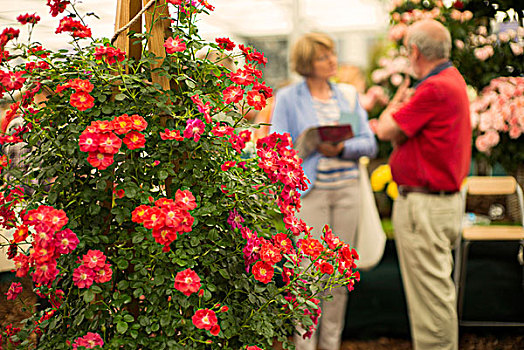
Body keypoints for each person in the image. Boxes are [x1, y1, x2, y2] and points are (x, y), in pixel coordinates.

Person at [270, 32, 377, 350]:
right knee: (307, 275)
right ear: (306, 64)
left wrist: (342, 148)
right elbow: (276, 147)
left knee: (339, 275)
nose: (332, 60)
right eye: (322, 56)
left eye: (332, 53)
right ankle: (305, 346)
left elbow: (369, 143)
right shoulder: (289, 98)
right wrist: (307, 145)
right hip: (310, 195)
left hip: (347, 192)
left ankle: (331, 344)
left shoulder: (347, 95)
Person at [374, 19, 471, 350]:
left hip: (425, 205)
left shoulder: (433, 87)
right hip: (435, 203)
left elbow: (386, 129)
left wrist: (396, 101)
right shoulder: (450, 79)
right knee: (434, 294)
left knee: (430, 299)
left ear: (414, 51)